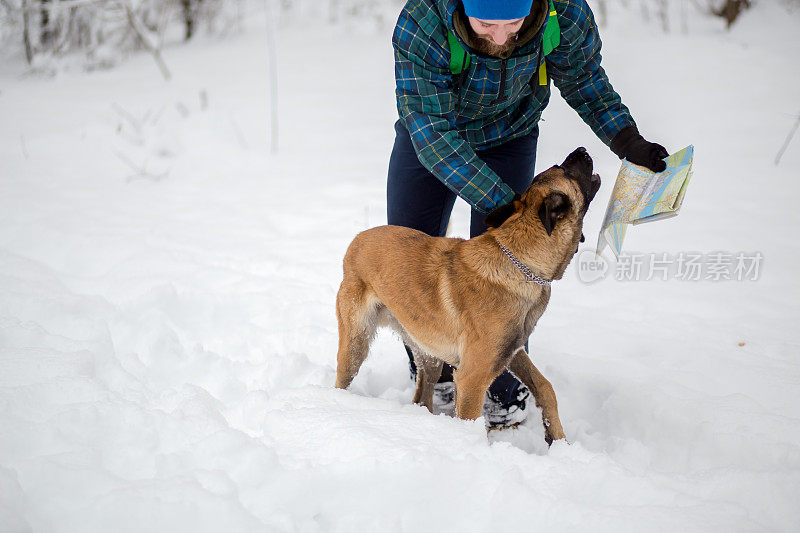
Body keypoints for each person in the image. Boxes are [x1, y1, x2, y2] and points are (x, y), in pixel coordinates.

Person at [387, 0, 668, 428]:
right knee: (408, 253)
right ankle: (435, 368)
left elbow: (585, 78)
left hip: (510, 134)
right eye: (485, 24)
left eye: (515, 24)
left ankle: (501, 388)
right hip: (431, 135)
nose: (501, 38)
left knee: (511, 265)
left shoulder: (564, 11)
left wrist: (625, 138)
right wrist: (504, 202)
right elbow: (431, 131)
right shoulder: (424, 20)